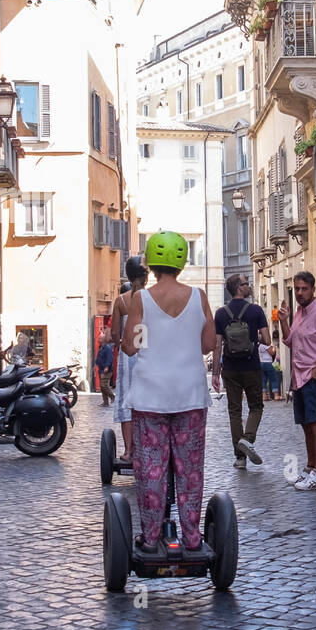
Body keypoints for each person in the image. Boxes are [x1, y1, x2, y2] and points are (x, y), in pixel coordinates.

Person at [121, 231, 215, 553]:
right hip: (190, 394)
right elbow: (208, 344)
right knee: (190, 470)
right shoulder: (199, 296)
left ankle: (150, 538)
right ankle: (192, 537)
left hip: (151, 396)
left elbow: (131, 346)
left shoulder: (140, 299)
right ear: (182, 262)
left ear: (150, 264)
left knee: (151, 470)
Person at [279, 271, 316, 491]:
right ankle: (310, 467)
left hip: (312, 377)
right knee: (306, 426)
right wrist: (283, 321)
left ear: (313, 290)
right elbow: (290, 341)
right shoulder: (298, 313)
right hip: (299, 377)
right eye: (297, 288)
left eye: (304, 289)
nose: (299, 293)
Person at [213, 274, 271, 469]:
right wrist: (253, 338)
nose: (249, 286)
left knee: (234, 411)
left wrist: (215, 373)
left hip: (230, 369)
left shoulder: (221, 313)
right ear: (239, 287)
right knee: (256, 406)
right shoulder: (255, 310)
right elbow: (267, 340)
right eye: (246, 284)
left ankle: (240, 458)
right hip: (251, 366)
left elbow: (217, 345)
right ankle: (247, 438)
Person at [110, 255, 149, 461]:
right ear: (146, 276)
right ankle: (149, 446)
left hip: (127, 357)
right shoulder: (153, 298)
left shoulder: (121, 301)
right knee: (149, 400)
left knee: (127, 401)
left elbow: (115, 333)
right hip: (150, 354)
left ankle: (129, 450)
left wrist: (121, 342)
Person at [96, 339, 115, 406]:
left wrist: (107, 366)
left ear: (103, 340)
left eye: (100, 338)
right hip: (101, 369)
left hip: (106, 370)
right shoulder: (101, 347)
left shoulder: (107, 348)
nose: (99, 339)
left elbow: (110, 358)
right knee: (102, 387)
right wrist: (96, 364)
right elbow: (99, 357)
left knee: (104, 385)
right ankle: (105, 402)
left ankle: (112, 396)